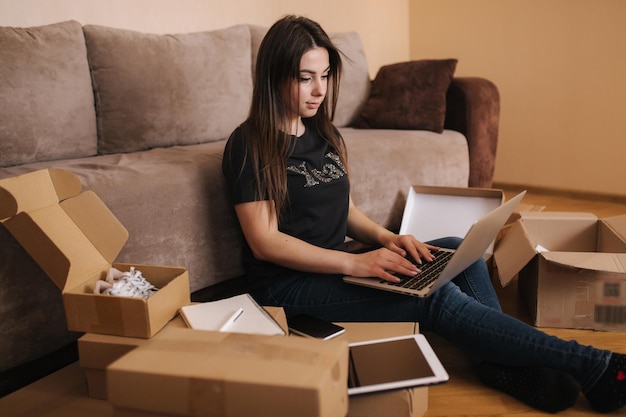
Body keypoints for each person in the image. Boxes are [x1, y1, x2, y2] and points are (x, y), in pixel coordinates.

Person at [222, 15, 626, 413]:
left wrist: (386, 238)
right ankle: (595, 367)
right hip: (286, 288)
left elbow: (342, 208)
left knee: (452, 251)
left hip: (334, 267)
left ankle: (499, 364)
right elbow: (265, 241)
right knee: (433, 298)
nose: (320, 90)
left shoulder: (321, 133)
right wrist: (356, 261)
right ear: (275, 75)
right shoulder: (249, 144)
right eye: (306, 77)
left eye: (325, 75)